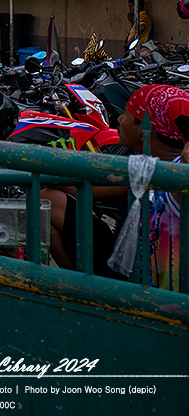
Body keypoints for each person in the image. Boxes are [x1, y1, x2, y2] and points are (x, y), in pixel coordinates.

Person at [44, 84, 187, 288]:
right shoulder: (145, 167)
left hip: (165, 294)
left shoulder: (180, 172)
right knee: (51, 200)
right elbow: (89, 191)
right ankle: (83, 291)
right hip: (133, 269)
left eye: (127, 114)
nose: (119, 119)